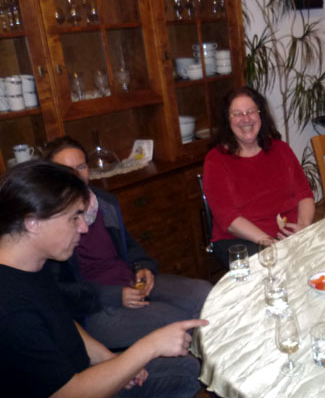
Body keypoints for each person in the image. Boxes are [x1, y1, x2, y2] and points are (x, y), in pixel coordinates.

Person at [0, 160, 208, 397]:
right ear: (33, 222)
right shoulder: (10, 308)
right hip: (75, 389)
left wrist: (107, 358)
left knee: (185, 368)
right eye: (74, 218)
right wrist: (149, 346)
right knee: (182, 370)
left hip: (80, 372)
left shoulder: (32, 264)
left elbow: (63, 322)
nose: (84, 228)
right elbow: (69, 392)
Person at [42, 136, 212, 351]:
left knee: (204, 293)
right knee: (176, 318)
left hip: (131, 283)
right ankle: (193, 362)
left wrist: (143, 267)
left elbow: (129, 246)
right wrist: (113, 295)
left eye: (81, 166)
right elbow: (58, 291)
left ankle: (209, 359)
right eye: (67, 170)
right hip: (95, 308)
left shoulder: (102, 202)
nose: (77, 175)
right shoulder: (48, 224)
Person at [203, 86, 315, 266]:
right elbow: (228, 219)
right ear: (227, 121)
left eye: (251, 111)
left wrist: (303, 227)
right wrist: (269, 243)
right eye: (237, 114)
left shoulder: (281, 149)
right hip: (240, 240)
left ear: (261, 115)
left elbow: (304, 195)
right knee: (278, 267)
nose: (246, 119)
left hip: (287, 234)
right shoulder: (216, 160)